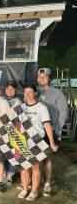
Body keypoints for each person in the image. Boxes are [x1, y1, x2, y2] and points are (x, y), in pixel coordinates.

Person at [18, 84, 58, 201]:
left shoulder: (42, 107)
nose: (28, 94)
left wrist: (51, 142)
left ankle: (34, 191)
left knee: (35, 167)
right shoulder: (21, 107)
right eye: (26, 92)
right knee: (24, 167)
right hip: (24, 141)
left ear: (35, 93)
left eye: (30, 92)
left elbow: (47, 125)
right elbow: (17, 125)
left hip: (37, 140)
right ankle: (25, 189)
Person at [37, 68, 68, 197]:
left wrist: (56, 130)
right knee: (36, 158)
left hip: (51, 131)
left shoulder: (57, 93)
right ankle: (35, 183)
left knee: (47, 158)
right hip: (37, 131)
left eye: (45, 76)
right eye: (39, 76)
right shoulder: (35, 93)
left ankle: (47, 184)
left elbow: (64, 112)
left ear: (50, 78)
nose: (41, 78)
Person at [2, 81, 22, 186]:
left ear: (16, 90)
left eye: (12, 89)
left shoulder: (17, 101)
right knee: (4, 154)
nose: (10, 90)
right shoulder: (2, 100)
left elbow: (14, 116)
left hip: (13, 130)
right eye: (8, 88)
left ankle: (9, 177)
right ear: (5, 89)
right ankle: (3, 175)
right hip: (2, 131)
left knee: (12, 154)